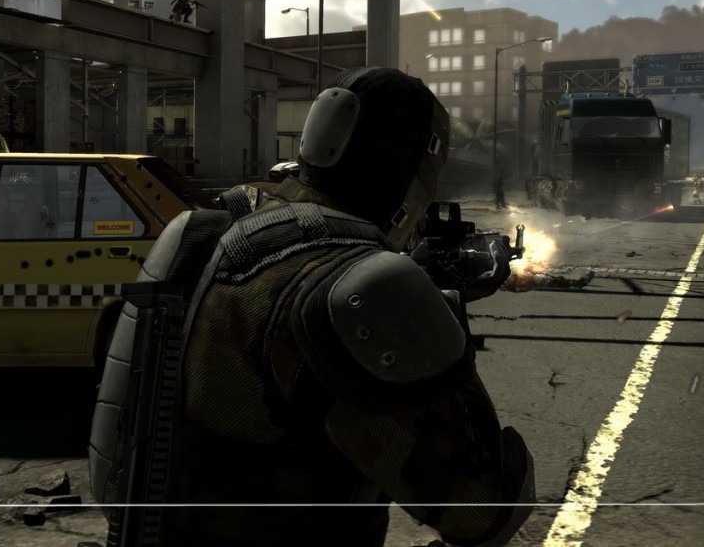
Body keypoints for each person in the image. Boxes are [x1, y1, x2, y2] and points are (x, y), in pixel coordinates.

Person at [93, 67, 535, 546]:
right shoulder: (361, 285)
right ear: (415, 169)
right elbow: (484, 510)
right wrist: (438, 330)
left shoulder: (212, 230)